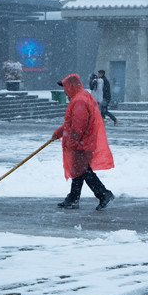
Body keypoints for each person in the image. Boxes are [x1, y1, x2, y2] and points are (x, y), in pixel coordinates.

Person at [52, 73, 115, 210]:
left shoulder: (79, 101)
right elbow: (71, 124)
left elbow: (78, 126)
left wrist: (73, 142)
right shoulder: (80, 97)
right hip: (84, 142)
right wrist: (59, 133)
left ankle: (104, 194)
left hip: (82, 143)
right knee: (79, 171)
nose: (64, 91)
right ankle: (73, 198)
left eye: (66, 87)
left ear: (72, 86)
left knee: (84, 172)